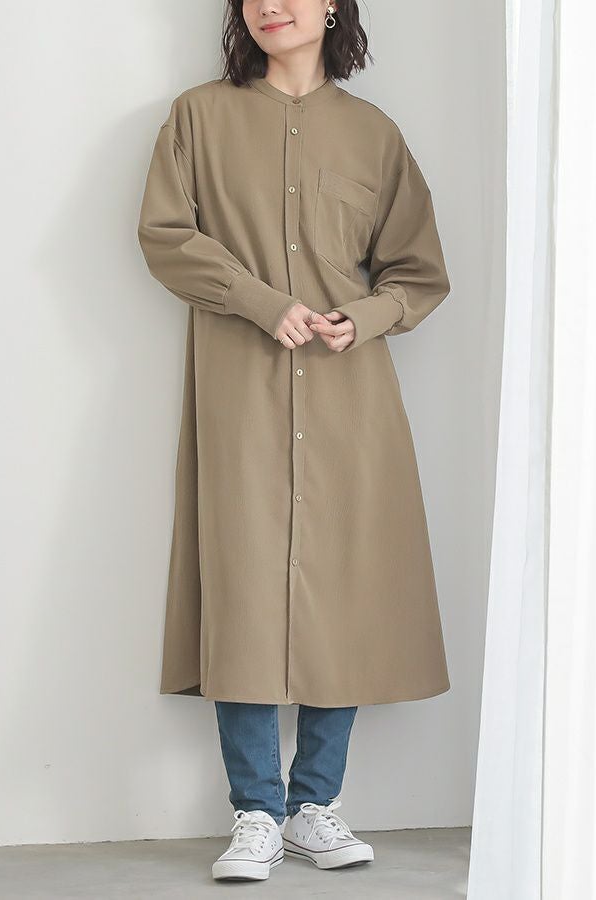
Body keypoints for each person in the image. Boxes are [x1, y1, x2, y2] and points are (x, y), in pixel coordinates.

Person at [137, 0, 453, 883]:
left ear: (332, 7)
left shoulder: (375, 135)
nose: (270, 5)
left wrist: (367, 316)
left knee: (342, 585)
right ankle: (255, 813)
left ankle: (316, 806)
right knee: (242, 585)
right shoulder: (198, 117)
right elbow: (165, 235)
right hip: (239, 387)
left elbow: (420, 272)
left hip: (352, 394)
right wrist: (259, 301)